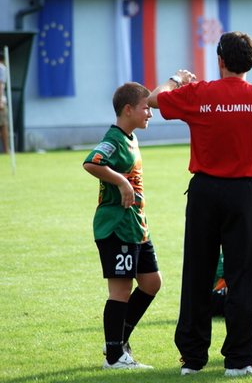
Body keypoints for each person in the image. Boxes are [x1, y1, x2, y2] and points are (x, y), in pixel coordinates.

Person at [147, 31, 252, 376]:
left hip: (204, 192)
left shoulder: (199, 93)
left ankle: (192, 359)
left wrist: (177, 79)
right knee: (243, 276)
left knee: (197, 273)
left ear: (219, 60)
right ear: (251, 62)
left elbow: (153, 99)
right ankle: (239, 360)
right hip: (243, 194)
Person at [83, 82, 161, 370]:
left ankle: (117, 341)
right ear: (128, 109)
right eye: (146, 108)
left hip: (136, 226)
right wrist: (122, 181)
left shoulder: (131, 137)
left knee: (152, 282)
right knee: (121, 289)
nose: (150, 113)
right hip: (116, 226)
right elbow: (91, 163)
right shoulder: (114, 139)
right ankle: (115, 357)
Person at [0, 53, 9, 153]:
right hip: (1, 101)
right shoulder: (1, 68)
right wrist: (0, 101)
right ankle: (6, 150)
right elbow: (1, 84)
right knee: (4, 125)